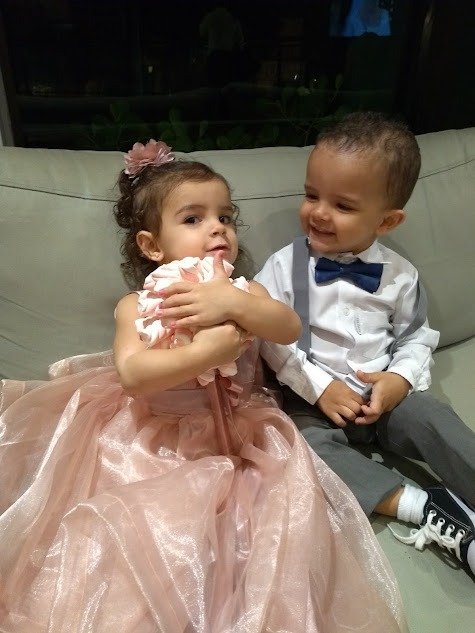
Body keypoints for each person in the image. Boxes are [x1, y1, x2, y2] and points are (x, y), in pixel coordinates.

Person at [0, 138, 407, 632]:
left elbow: (288, 328)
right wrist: (204, 354)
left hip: (242, 428)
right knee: (157, 533)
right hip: (158, 435)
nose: (218, 227)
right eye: (193, 219)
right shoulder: (139, 305)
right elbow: (132, 374)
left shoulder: (247, 290)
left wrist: (235, 304)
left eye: (225, 216)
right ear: (152, 246)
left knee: (265, 532)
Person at [254, 111, 475, 577]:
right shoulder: (284, 266)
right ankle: (422, 506)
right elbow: (268, 337)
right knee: (304, 452)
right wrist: (318, 388)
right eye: (312, 195)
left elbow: (416, 337)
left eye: (343, 205)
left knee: (434, 417)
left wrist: (399, 379)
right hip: (310, 402)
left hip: (383, 399)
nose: (318, 212)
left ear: (387, 220)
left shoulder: (400, 275)